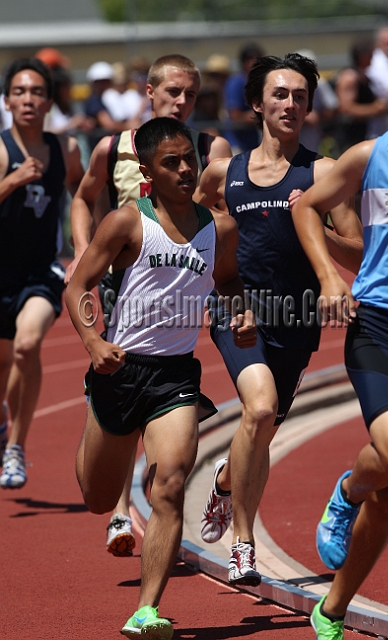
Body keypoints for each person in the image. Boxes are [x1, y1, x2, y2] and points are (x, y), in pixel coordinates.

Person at [65, 117, 256, 638]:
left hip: (174, 376)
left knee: (170, 483)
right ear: (146, 171)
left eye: (189, 159)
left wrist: (240, 310)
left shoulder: (219, 227)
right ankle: (94, 442)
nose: (184, 170)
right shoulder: (128, 222)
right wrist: (93, 343)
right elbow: (79, 285)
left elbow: (229, 277)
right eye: (170, 162)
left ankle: (146, 609)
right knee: (99, 499)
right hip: (120, 369)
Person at [196, 53, 363, 587]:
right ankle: (242, 544)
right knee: (261, 408)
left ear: (310, 106)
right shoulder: (226, 173)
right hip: (238, 311)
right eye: (279, 94)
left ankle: (225, 479)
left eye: (299, 96)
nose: (290, 103)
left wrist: (309, 216)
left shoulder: (322, 173)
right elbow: (194, 221)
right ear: (255, 104)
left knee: (261, 430)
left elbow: (357, 253)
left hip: (295, 318)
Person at [66, 53, 232, 557]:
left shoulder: (210, 147)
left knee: (162, 403)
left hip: (175, 284)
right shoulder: (111, 147)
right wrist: (81, 250)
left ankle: (150, 507)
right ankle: (118, 510)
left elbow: (221, 217)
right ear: (150, 92)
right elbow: (83, 196)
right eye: (173, 93)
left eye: (191, 95)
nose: (182, 102)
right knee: (121, 396)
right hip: (120, 282)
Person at [291, 27, 388, 640]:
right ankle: (347, 489)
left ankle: (333, 609)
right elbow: (303, 205)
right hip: (385, 324)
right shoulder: (374, 155)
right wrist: (327, 276)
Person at [0, 57, 84, 487]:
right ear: (7, 100)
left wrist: (83, 248)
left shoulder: (65, 150)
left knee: (26, 346)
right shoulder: (0, 150)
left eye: (36, 92)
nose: (28, 100)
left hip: (41, 270)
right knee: (3, 363)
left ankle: (15, 447)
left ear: (50, 100)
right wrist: (11, 181)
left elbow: (85, 197)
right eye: (19, 92)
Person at [333, 37, 388, 155]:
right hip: (349, 140)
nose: (373, 57)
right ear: (363, 56)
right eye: (371, 54)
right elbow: (346, 109)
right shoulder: (350, 77)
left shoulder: (364, 77)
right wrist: (375, 109)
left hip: (362, 136)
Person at [224, 43, 264, 153]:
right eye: (250, 58)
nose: (255, 62)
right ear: (243, 62)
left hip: (253, 144)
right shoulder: (235, 82)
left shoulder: (260, 84)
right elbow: (235, 116)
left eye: (258, 59)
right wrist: (263, 114)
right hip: (237, 145)